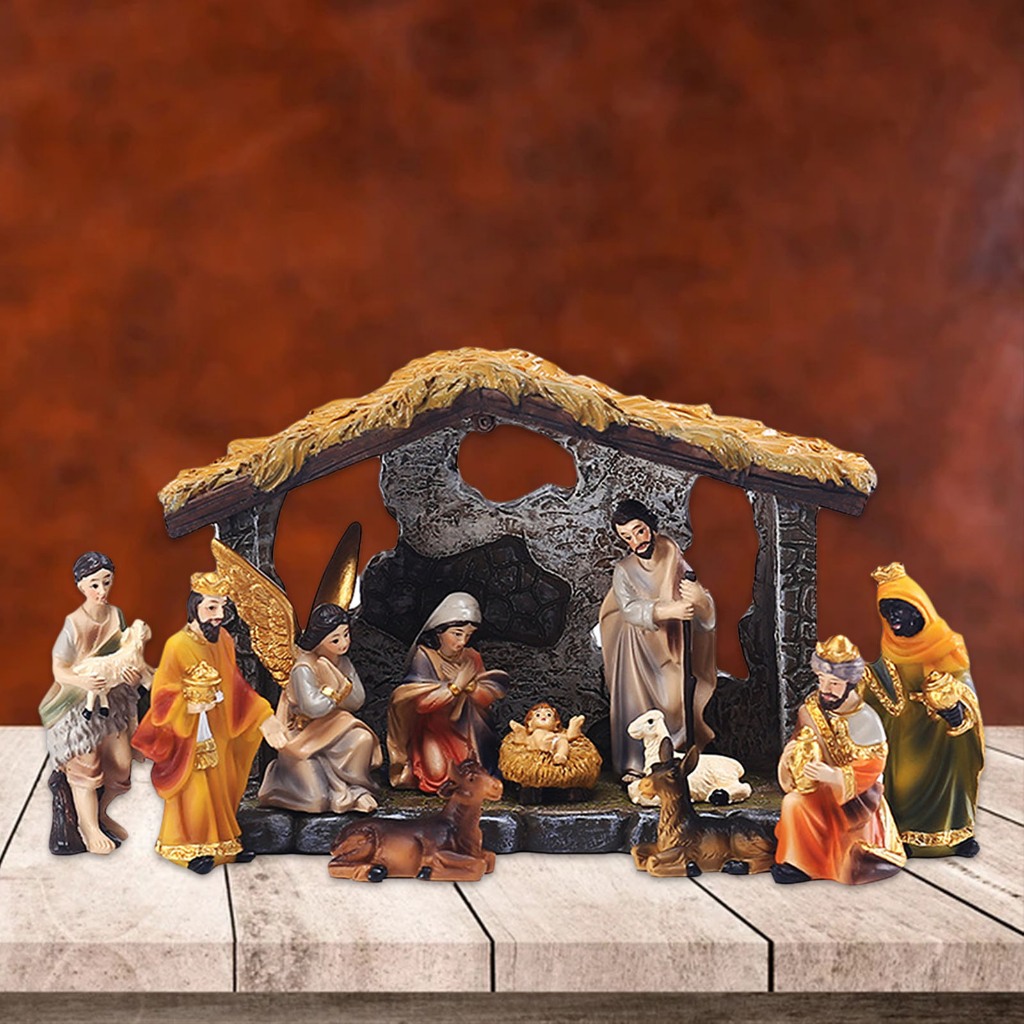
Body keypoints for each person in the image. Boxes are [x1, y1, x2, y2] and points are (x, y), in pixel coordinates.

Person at [131, 569, 288, 874]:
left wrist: (265, 717)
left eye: (222, 607)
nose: (219, 615)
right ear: (194, 607)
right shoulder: (177, 645)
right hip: (189, 734)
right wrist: (187, 705)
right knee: (196, 792)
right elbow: (162, 695)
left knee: (221, 788)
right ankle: (187, 847)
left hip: (219, 728)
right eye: (211, 607)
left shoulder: (224, 640)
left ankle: (223, 845)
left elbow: (237, 687)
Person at [861, 562, 984, 858]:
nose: (893, 618)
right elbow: (880, 688)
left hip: (944, 736)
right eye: (886, 611)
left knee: (955, 773)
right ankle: (905, 833)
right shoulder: (890, 650)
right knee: (903, 781)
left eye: (899, 609)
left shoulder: (947, 645)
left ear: (919, 609)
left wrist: (958, 710)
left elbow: (965, 688)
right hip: (906, 735)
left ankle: (957, 834)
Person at [40, 551, 152, 855]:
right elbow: (59, 671)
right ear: (81, 585)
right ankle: (88, 827)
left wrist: (132, 677)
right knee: (86, 767)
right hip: (78, 706)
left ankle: (100, 814)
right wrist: (84, 682)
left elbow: (128, 656)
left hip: (112, 703)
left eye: (106, 582)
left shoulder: (116, 616)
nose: (102, 591)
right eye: (94, 585)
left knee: (121, 766)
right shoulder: (74, 623)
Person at [773, 635, 906, 885]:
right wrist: (791, 756)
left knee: (852, 846)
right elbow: (801, 741)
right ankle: (799, 864)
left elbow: (873, 767)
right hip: (819, 788)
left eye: (834, 683)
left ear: (850, 684)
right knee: (793, 803)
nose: (825, 689)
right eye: (821, 680)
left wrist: (834, 776)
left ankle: (839, 862)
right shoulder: (811, 710)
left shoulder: (867, 720)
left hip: (856, 799)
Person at [599, 499, 717, 776]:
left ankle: (675, 757)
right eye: (627, 537)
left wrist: (699, 601)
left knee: (674, 700)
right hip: (637, 647)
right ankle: (637, 764)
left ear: (650, 526)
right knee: (638, 704)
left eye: (639, 531)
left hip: (672, 646)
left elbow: (700, 601)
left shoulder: (672, 555)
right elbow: (628, 609)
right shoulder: (625, 570)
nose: (636, 542)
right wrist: (666, 610)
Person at [258, 603, 382, 814]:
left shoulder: (343, 662)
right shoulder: (304, 668)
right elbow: (313, 708)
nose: (344, 643)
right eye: (335, 640)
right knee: (316, 800)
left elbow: (357, 700)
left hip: (335, 725)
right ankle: (278, 782)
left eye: (346, 635)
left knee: (363, 739)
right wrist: (336, 692)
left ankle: (356, 790)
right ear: (319, 641)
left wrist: (341, 686)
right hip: (304, 734)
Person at [387, 592, 507, 794]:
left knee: (476, 769)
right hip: (435, 728)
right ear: (439, 632)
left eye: (468, 635)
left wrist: (471, 688)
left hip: (467, 729)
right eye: (457, 634)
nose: (462, 641)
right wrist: (456, 686)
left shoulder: (472, 657)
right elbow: (420, 703)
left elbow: (487, 697)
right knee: (437, 774)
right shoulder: (425, 657)